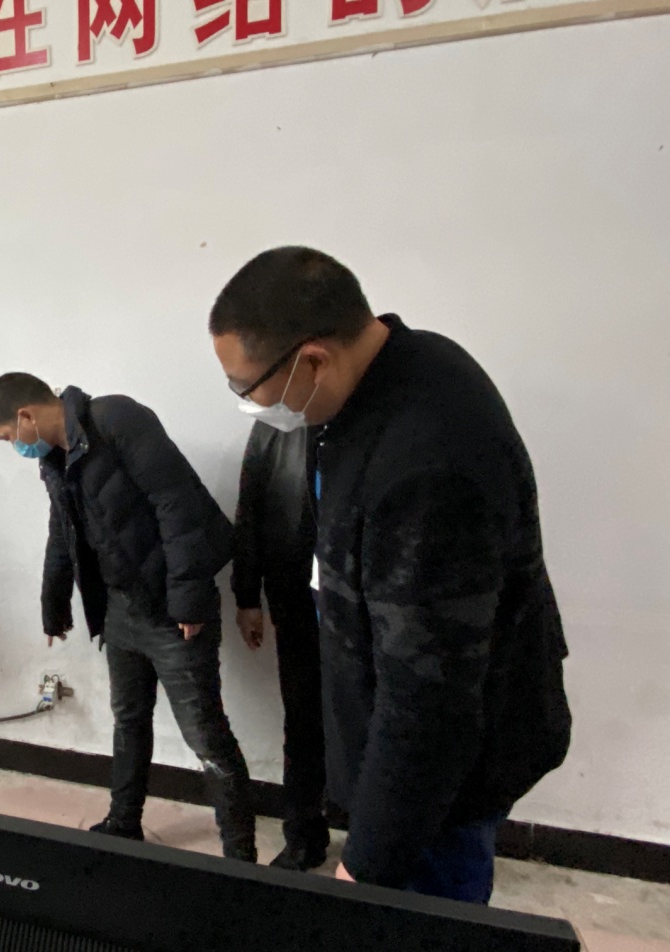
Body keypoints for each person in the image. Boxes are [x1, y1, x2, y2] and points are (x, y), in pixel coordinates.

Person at [208, 246, 572, 903]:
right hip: (407, 729)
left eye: (246, 388)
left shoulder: (426, 460)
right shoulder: (397, 369)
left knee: (424, 913)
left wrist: (367, 864)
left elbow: (427, 703)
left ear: (312, 360)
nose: (249, 405)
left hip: (444, 776)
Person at [0, 373, 256, 862]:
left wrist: (188, 599)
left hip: (171, 612)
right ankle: (123, 823)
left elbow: (177, 503)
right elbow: (62, 530)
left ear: (25, 416)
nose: (13, 447)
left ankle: (241, 857)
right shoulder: (53, 459)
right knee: (129, 720)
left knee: (206, 736)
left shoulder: (117, 419)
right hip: (119, 608)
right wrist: (54, 606)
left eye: (8, 438)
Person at [232, 423, 329, 872]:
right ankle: (304, 836)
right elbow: (250, 509)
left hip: (366, 608)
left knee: (368, 722)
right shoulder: (274, 423)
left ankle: (374, 844)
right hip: (297, 600)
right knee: (303, 721)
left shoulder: (372, 415)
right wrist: (247, 597)